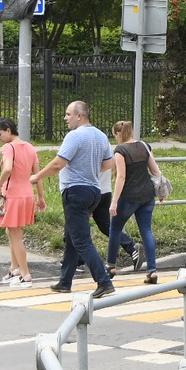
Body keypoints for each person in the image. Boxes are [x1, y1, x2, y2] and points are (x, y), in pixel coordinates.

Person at [33, 101, 117, 300]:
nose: (65, 117)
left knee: (80, 240)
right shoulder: (101, 135)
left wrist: (37, 177)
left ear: (80, 116)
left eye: (68, 114)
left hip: (75, 192)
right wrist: (89, 171)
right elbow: (108, 163)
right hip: (94, 191)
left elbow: (58, 164)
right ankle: (65, 281)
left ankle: (104, 282)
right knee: (72, 236)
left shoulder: (75, 136)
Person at [0, 117, 45, 287]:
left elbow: (7, 169)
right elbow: (38, 175)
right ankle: (14, 268)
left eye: (0, 134)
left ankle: (25, 273)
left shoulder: (8, 147)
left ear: (8, 130)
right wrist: (41, 197)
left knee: (16, 236)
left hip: (12, 195)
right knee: (11, 232)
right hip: (27, 195)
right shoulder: (30, 147)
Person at [107, 120, 162, 284]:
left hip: (128, 197)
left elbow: (121, 177)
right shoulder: (144, 146)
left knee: (115, 229)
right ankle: (152, 271)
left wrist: (114, 201)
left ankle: (110, 266)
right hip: (147, 195)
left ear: (118, 134)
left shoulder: (120, 150)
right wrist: (161, 191)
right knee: (146, 231)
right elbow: (155, 170)